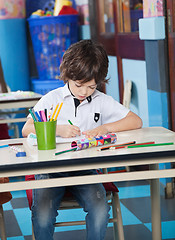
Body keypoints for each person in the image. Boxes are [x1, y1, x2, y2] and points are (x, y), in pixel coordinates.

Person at [22, 39, 142, 240]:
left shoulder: (100, 100)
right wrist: (57, 129)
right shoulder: (52, 99)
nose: (84, 92)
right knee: (42, 217)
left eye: (91, 86)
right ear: (67, 75)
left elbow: (135, 121)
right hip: (51, 171)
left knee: (100, 211)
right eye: (79, 85)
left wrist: (104, 128)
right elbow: (27, 129)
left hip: (86, 169)